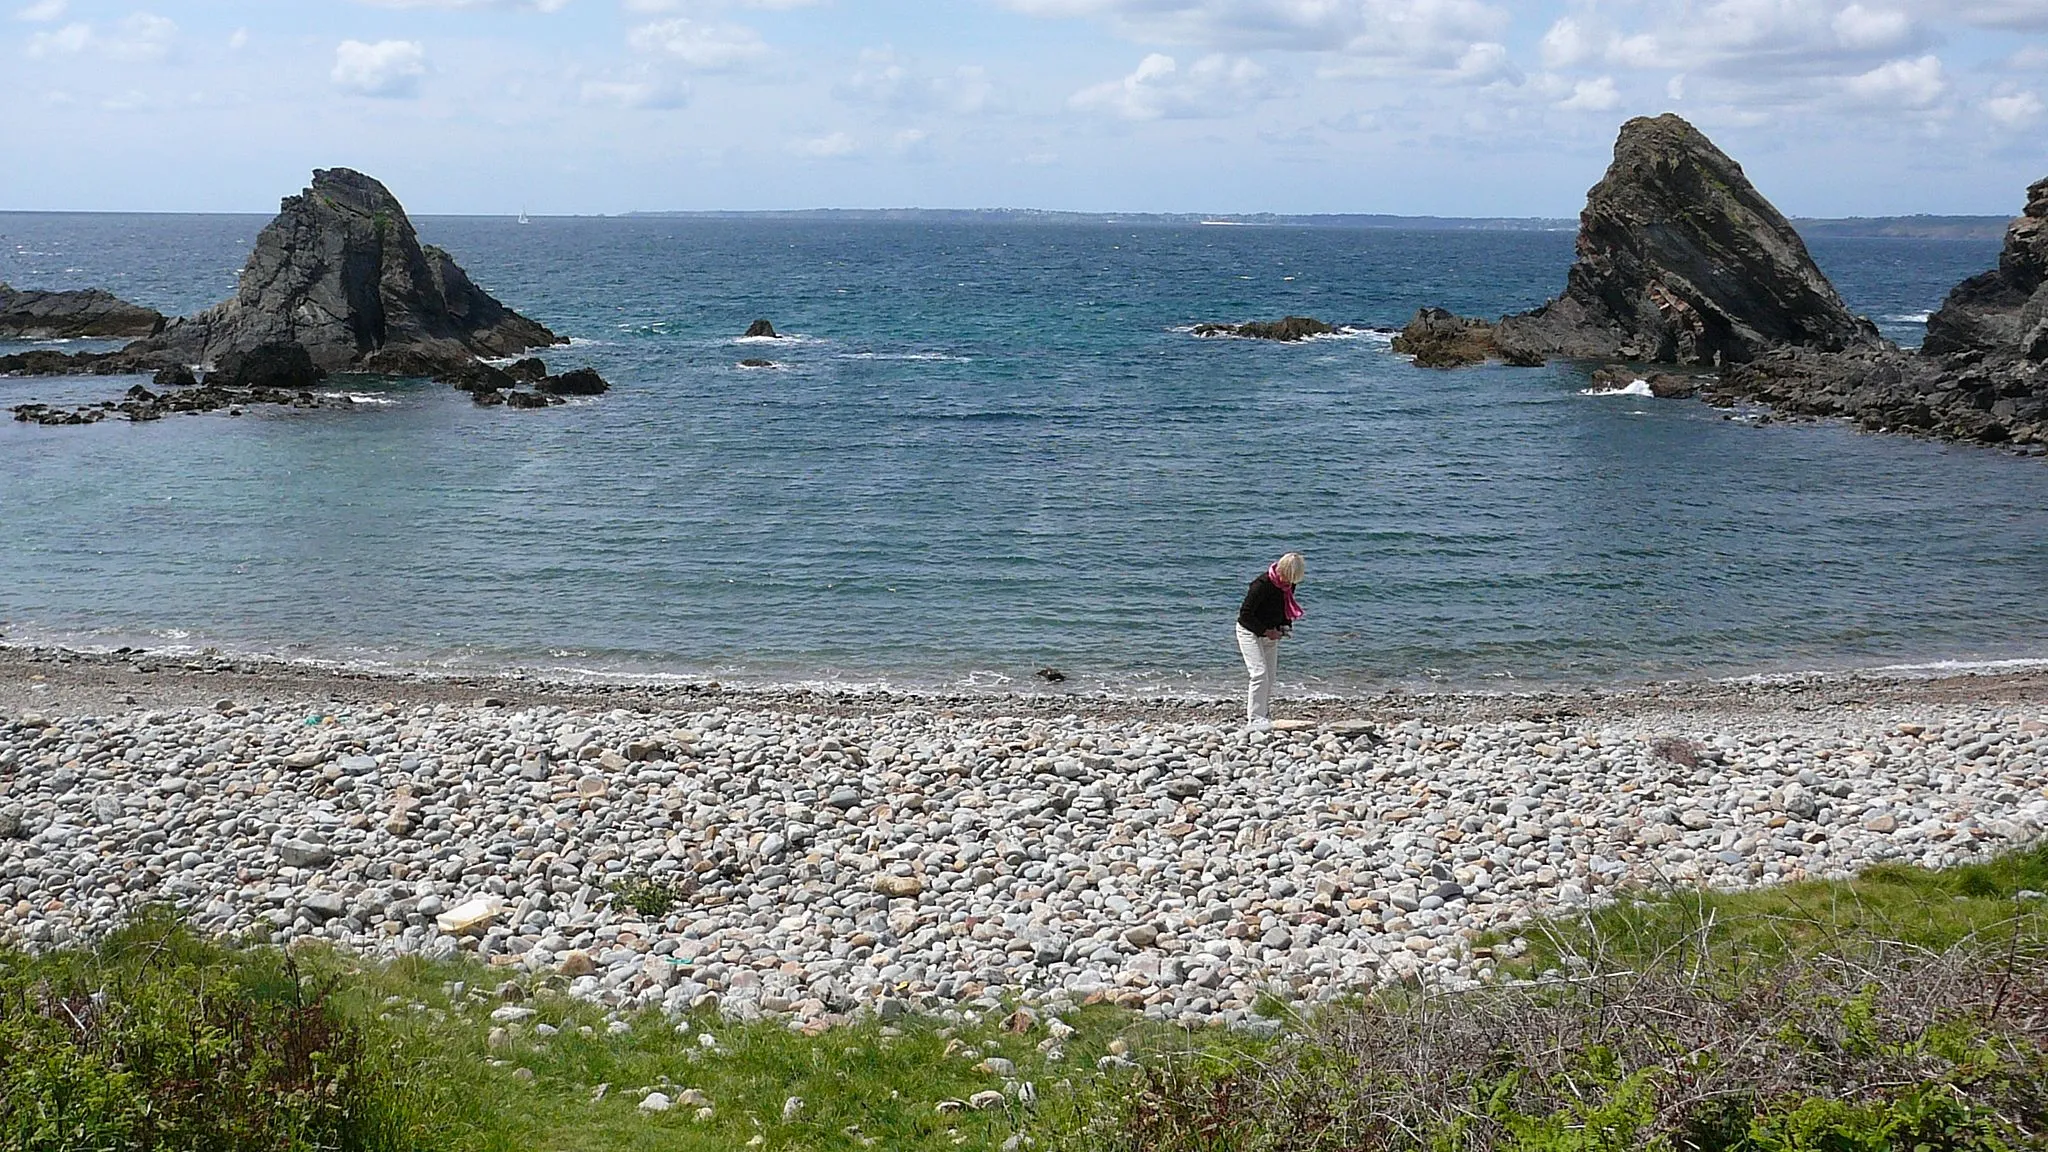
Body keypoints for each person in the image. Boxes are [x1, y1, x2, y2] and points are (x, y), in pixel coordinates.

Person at [1235, 552, 1304, 727]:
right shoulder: (1261, 585)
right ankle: (1255, 718)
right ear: (1282, 571)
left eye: (1294, 580)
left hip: (1270, 632)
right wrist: (1265, 631)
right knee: (1259, 673)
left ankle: (1263, 713)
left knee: (1270, 677)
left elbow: (1283, 608)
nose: (1291, 583)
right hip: (1249, 631)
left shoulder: (1288, 586)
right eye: (1289, 578)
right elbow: (1245, 616)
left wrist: (1284, 626)